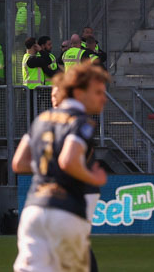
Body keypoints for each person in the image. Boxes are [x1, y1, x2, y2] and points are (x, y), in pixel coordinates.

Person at [12, 63, 110, 272]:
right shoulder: (81, 122)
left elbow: (18, 163)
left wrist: (46, 166)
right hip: (66, 210)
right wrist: (94, 178)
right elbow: (68, 160)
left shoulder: (40, 119)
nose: (104, 98)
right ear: (78, 92)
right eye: (98, 92)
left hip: (34, 209)